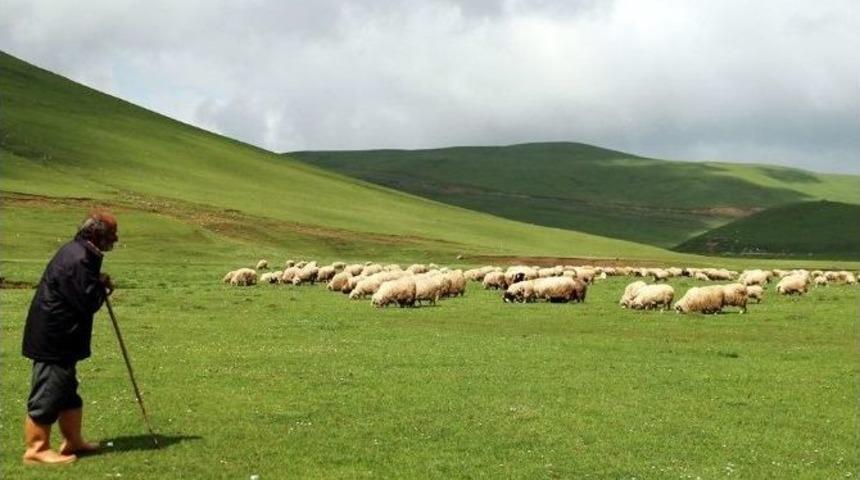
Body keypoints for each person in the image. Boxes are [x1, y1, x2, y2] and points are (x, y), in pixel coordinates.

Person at [21, 210, 118, 464]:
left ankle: (73, 441)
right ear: (97, 234)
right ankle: (36, 449)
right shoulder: (78, 258)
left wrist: (97, 281)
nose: (115, 240)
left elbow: (79, 287)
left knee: (66, 391)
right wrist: (101, 287)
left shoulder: (80, 252)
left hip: (64, 335)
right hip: (54, 337)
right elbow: (86, 301)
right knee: (48, 391)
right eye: (111, 234)